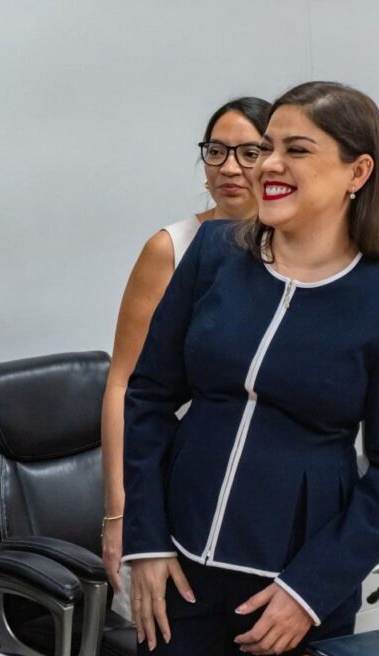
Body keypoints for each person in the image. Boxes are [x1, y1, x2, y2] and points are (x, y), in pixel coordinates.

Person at [121, 81, 379, 656]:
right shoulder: (213, 253)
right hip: (178, 574)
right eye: (267, 147)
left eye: (296, 149)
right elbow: (148, 397)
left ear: (357, 171)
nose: (269, 164)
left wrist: (310, 589)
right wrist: (147, 541)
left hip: (290, 595)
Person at [100, 98, 271, 602]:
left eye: (248, 152)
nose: (229, 167)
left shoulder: (296, 254)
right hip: (172, 477)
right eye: (216, 152)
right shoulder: (171, 247)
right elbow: (123, 384)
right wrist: (119, 512)